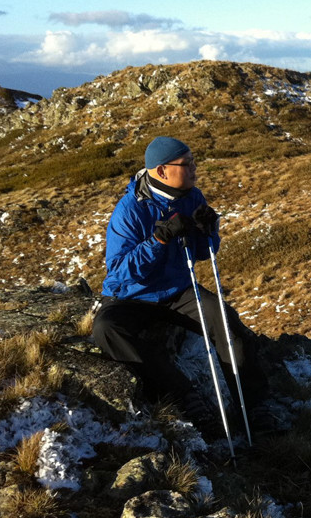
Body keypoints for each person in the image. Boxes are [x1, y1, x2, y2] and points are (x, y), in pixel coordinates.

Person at [92, 135, 272, 432]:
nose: (194, 169)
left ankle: (254, 404)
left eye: (193, 162)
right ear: (162, 170)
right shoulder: (130, 210)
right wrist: (158, 240)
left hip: (177, 291)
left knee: (224, 319)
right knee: (106, 329)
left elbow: (204, 253)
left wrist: (207, 231)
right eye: (186, 164)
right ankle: (184, 396)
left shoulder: (192, 197)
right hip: (131, 296)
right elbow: (120, 271)